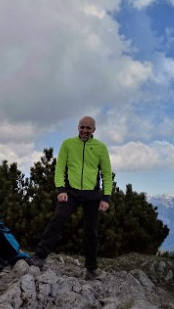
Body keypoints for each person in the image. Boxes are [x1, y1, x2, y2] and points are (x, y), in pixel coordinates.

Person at [30, 116, 114, 280]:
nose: (84, 130)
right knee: (57, 220)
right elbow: (60, 168)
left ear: (94, 130)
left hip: (92, 194)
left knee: (92, 231)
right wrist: (61, 189)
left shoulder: (100, 147)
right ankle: (39, 257)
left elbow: (106, 174)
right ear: (78, 127)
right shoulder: (68, 144)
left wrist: (106, 197)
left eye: (88, 128)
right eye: (82, 127)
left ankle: (91, 269)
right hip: (71, 192)